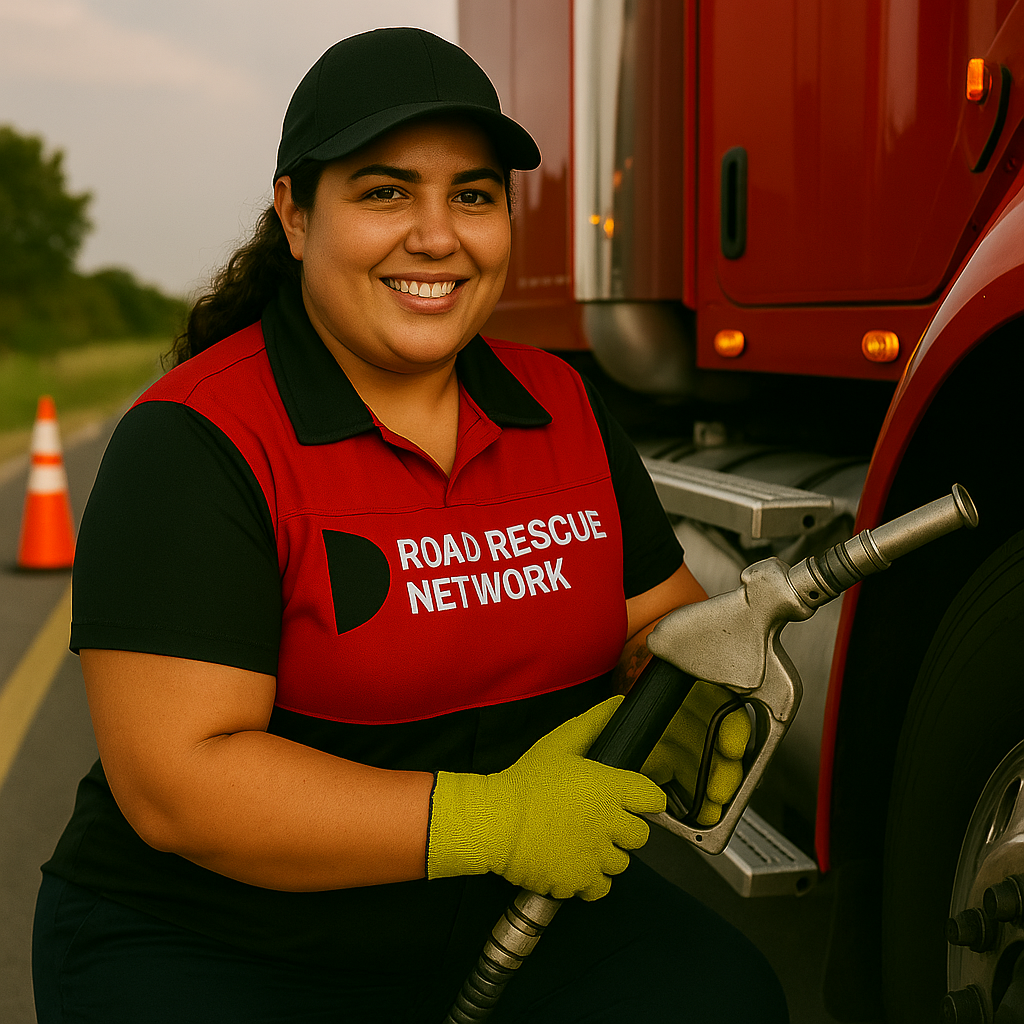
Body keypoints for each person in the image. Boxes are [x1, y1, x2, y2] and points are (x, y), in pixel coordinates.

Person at [32, 27, 788, 1024]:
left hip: (510, 915)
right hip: (221, 940)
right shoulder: (194, 440)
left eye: (472, 196)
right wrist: (495, 818)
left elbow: (658, 620)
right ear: (295, 215)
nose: (437, 236)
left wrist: (687, 687)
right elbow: (180, 783)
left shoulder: (559, 401)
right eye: (385, 191)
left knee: (727, 1000)